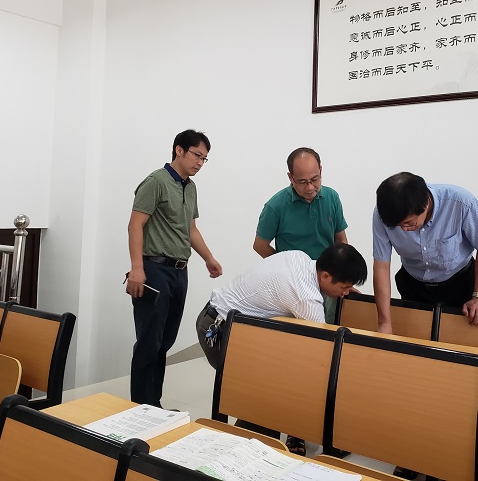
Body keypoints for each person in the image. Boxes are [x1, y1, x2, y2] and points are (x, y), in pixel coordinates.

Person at [372, 172, 478, 480]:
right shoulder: (385, 212)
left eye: (408, 223)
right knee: (415, 372)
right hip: (414, 287)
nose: (403, 229)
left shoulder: (461, 203)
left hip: (459, 288)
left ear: (426, 205)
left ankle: (445, 457)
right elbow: (382, 265)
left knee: (455, 376)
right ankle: (414, 453)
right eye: (398, 226)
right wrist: (385, 322)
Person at [196, 243, 367, 455]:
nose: (345, 293)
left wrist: (343, 287)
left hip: (219, 320)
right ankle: (243, 455)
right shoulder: (305, 295)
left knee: (270, 392)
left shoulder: (300, 257)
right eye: (344, 287)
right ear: (325, 276)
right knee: (270, 398)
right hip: (219, 333)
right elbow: (325, 347)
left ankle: (252, 445)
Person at [126, 129, 222, 407]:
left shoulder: (190, 187)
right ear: (179, 150)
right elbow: (135, 225)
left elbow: (191, 229)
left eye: (204, 159)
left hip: (179, 272)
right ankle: (140, 408)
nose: (200, 163)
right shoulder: (156, 182)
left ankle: (152, 405)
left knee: (164, 341)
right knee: (149, 342)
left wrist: (208, 258)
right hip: (153, 269)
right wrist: (136, 268)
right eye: (197, 155)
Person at [253, 147, 348, 323]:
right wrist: (287, 269)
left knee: (329, 329)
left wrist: (344, 278)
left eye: (314, 179)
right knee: (300, 332)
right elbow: (259, 246)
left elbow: (341, 240)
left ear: (321, 170)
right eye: (303, 182)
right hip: (295, 287)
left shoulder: (332, 197)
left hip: (328, 279)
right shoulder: (275, 207)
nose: (310, 187)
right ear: (290, 177)